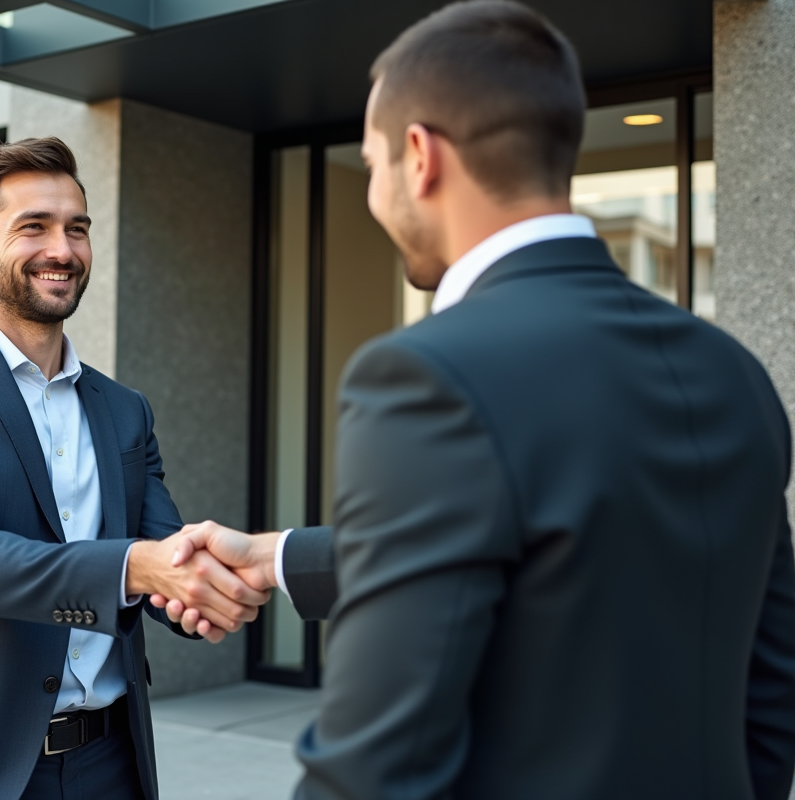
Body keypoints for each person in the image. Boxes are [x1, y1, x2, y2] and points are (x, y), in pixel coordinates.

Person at [155, 2, 795, 798]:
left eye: (373, 164)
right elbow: (770, 698)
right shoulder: (733, 372)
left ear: (420, 157)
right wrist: (277, 556)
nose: (374, 194)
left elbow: (373, 766)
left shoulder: (427, 374)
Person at [0, 137, 268, 800]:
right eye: (34, 227)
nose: (63, 250)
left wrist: (211, 586)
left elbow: (164, 551)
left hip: (111, 761)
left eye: (77, 228)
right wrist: (136, 568)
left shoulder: (125, 409)